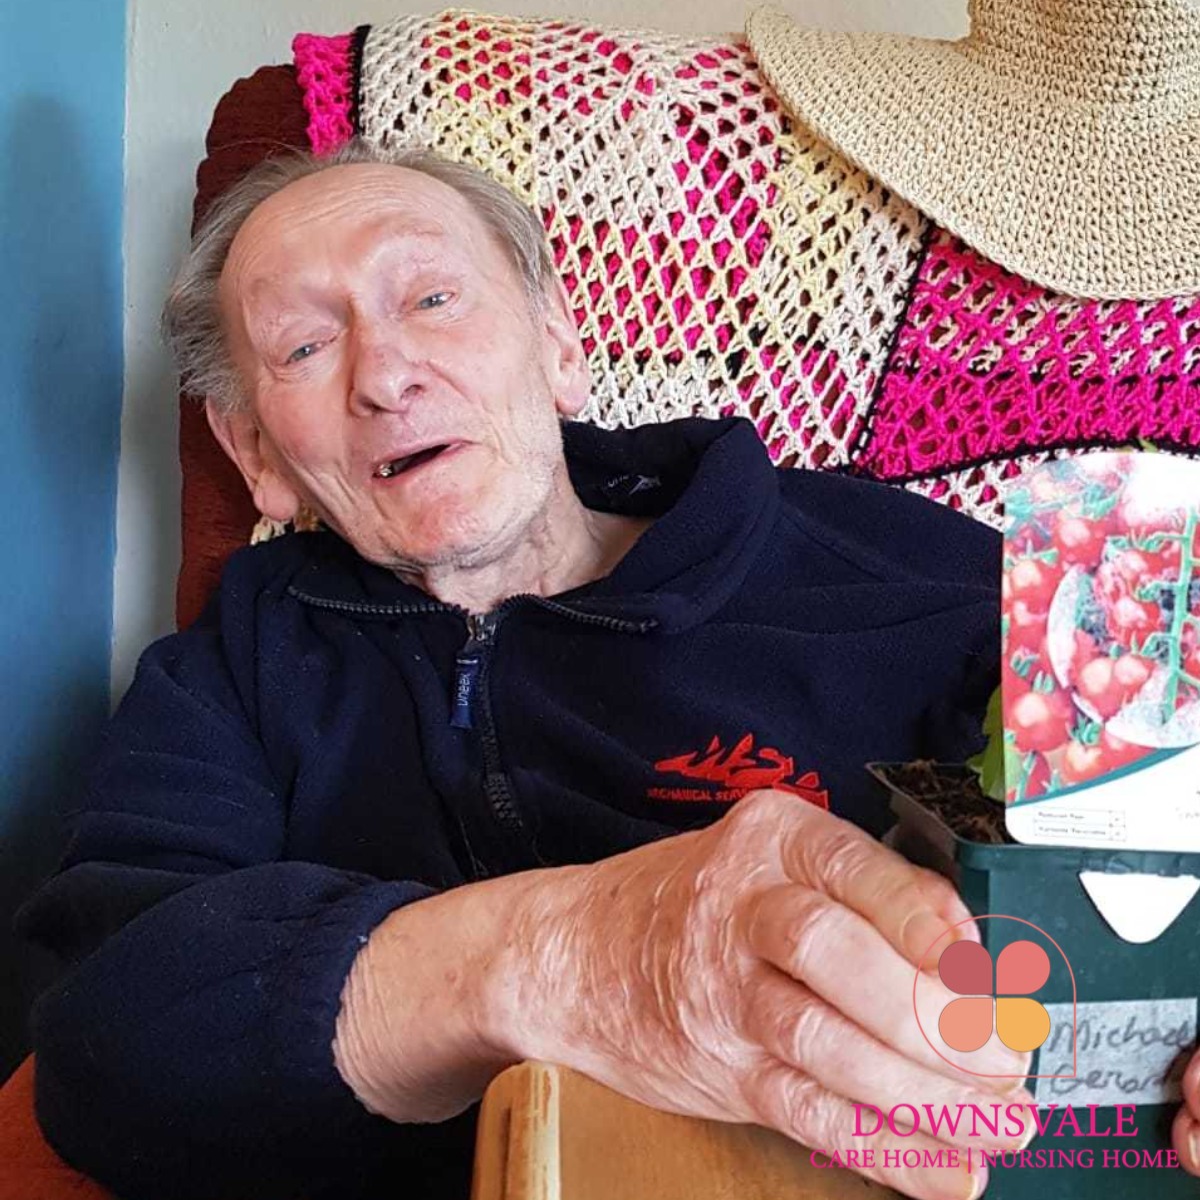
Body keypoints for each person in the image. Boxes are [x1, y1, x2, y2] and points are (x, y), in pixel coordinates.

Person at [10, 140, 1124, 1200]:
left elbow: (1151, 836)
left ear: (556, 342)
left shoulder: (888, 565)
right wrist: (555, 959)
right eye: (304, 348)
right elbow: (103, 1041)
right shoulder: (233, 670)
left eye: (432, 297)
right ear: (256, 453)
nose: (385, 375)